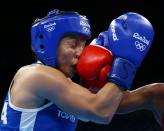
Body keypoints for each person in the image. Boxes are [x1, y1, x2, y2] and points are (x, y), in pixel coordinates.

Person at [0, 9, 154, 131]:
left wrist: (154, 94)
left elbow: (114, 105)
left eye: (83, 45)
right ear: (49, 44)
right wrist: (126, 63)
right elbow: (100, 112)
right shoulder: (35, 75)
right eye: (73, 45)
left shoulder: (65, 85)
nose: (81, 52)